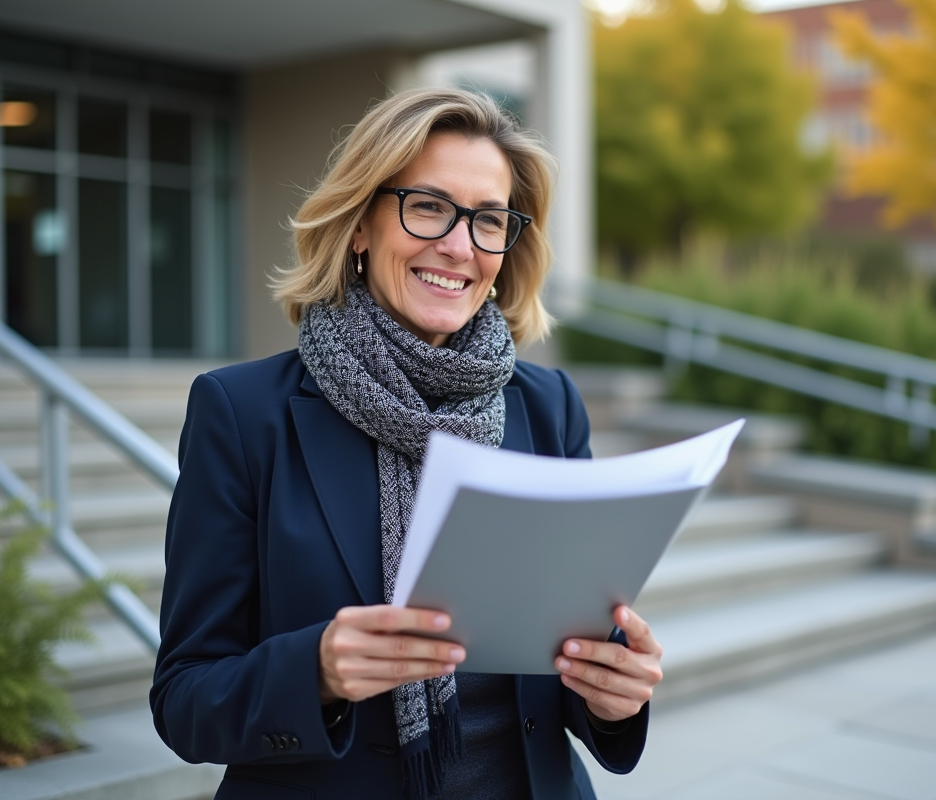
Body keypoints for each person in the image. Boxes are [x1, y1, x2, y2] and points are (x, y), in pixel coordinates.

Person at [150, 88, 663, 800]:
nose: (459, 246)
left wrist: (613, 698)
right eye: (427, 206)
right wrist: (317, 671)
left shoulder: (547, 409)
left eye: (489, 220)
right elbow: (184, 698)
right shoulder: (242, 413)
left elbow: (566, 665)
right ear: (360, 224)